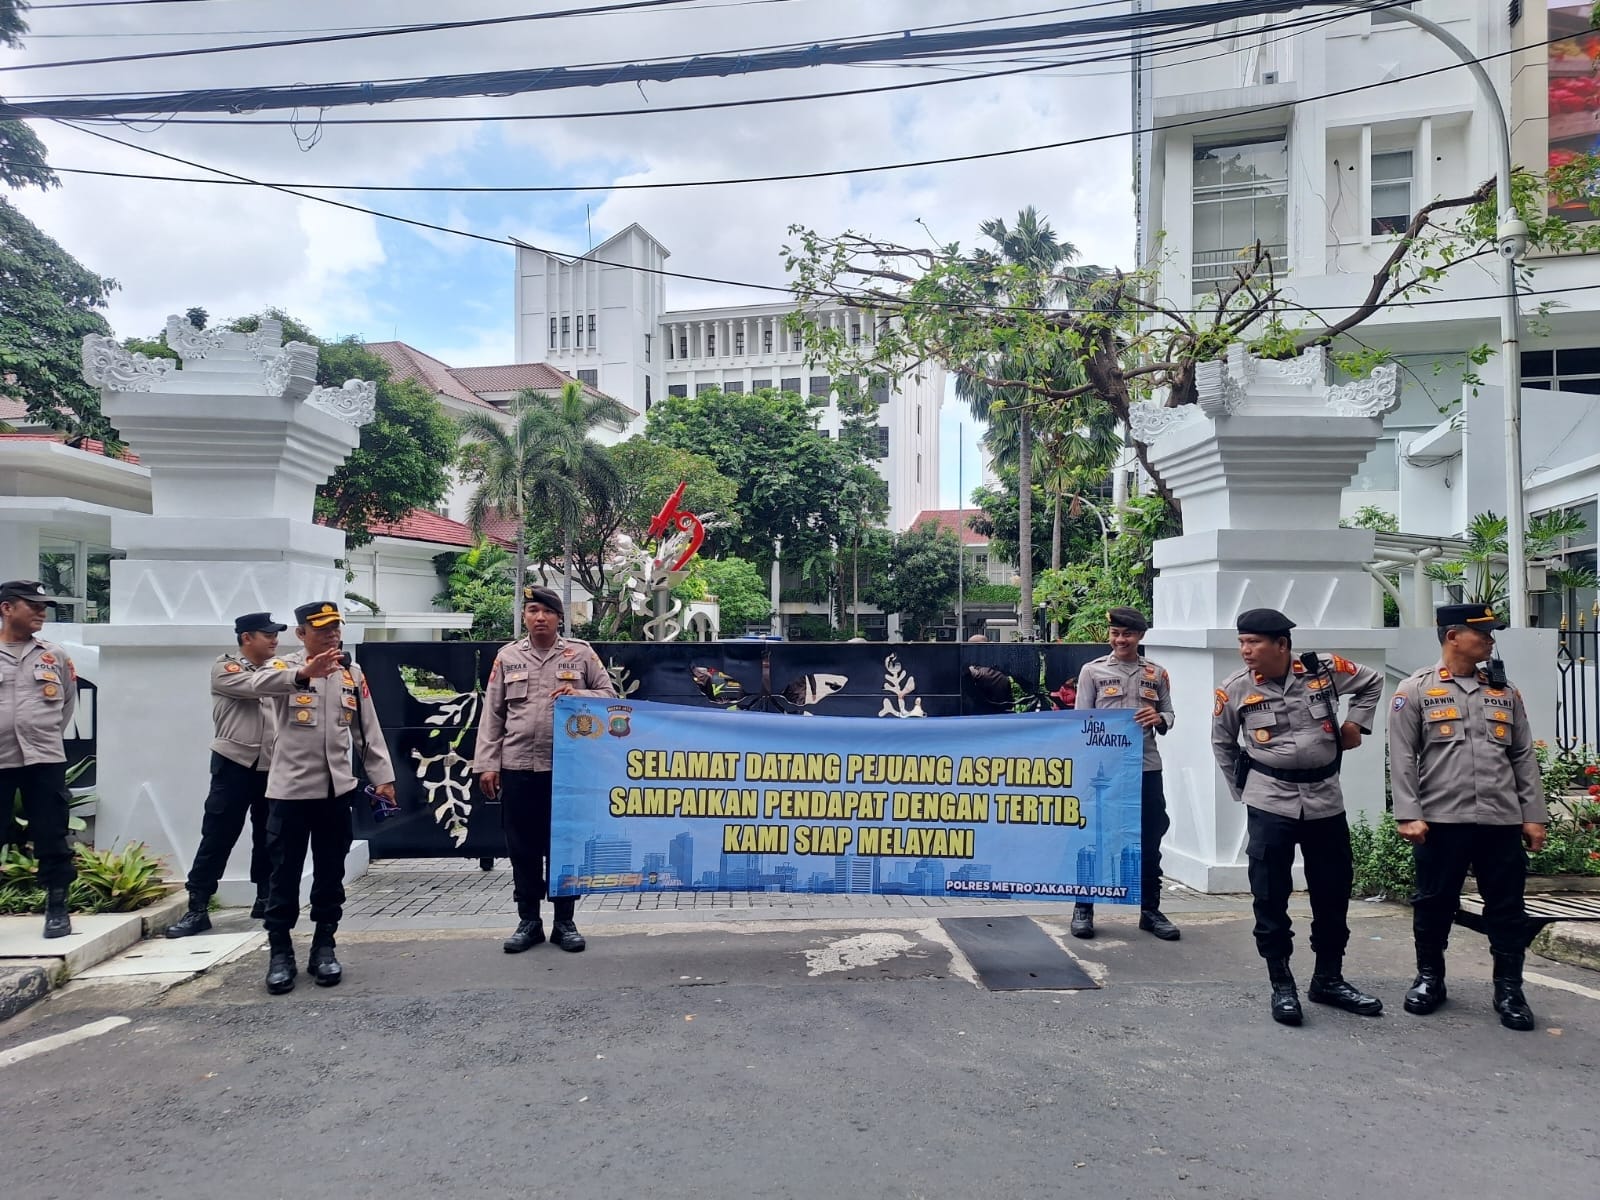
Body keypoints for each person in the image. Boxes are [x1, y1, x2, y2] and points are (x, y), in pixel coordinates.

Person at [1211, 608, 1385, 1025]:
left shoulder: (1322, 669)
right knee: (1270, 893)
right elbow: (1222, 743)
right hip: (1270, 799)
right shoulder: (1234, 689)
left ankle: (1328, 978)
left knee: (1333, 889)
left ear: (1282, 645)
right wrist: (1245, 793)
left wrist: (1356, 724)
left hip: (1325, 798)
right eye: (1242, 642)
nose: (1245, 650)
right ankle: (1282, 983)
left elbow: (1372, 681)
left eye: (1254, 642)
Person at [1389, 603, 1548, 1032]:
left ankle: (1509, 989)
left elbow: (1523, 756)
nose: (1491, 640)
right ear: (1453, 636)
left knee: (1508, 908)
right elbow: (1402, 757)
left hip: (1500, 820)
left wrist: (1534, 816)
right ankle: (1429, 979)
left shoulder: (1504, 691)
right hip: (1441, 820)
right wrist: (1408, 814)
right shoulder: (1415, 689)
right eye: (1483, 633)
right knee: (1433, 903)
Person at [241, 601, 396, 994]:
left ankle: (324, 947)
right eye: (322, 629)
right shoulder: (282, 667)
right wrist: (303, 674)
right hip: (290, 793)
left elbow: (367, 729)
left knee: (330, 875)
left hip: (335, 792)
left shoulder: (350, 673)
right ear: (301, 634)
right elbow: (257, 685)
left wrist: (382, 777)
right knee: (284, 876)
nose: (331, 635)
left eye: (335, 628)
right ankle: (280, 953)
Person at [474, 585, 617, 955]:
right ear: (525, 616)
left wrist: (579, 695)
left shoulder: (580, 654)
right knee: (521, 847)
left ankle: (564, 922)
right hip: (518, 766)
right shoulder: (508, 657)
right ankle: (529, 921)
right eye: (533, 611)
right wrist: (487, 764)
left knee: (564, 846)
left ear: (559, 618)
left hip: (568, 770)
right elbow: (493, 715)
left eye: (547, 612)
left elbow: (609, 696)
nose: (540, 618)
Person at [165, 612, 287, 938]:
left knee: (271, 835)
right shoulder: (226, 668)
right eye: (267, 634)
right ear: (247, 637)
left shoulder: (278, 670)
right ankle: (198, 906)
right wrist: (295, 675)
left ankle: (265, 898)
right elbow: (255, 687)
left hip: (272, 764)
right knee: (218, 835)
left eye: (275, 634)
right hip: (234, 763)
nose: (275, 640)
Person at [1070, 606, 1179, 941]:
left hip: (1145, 767)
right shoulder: (1092, 671)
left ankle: (1150, 910)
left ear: (1140, 636)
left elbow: (1169, 713)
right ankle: (1083, 907)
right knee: (1093, 837)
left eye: (1128, 634)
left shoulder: (1157, 673)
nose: (1121, 640)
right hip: (1104, 770)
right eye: (1115, 633)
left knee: (1150, 837)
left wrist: (1159, 719)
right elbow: (1080, 720)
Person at [0, 580, 78, 939]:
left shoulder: (54, 655)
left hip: (44, 758)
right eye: (32, 605)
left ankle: (57, 908)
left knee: (52, 834)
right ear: (7, 608)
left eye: (43, 606)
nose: (41, 612)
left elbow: (66, 705)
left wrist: (40, 735)